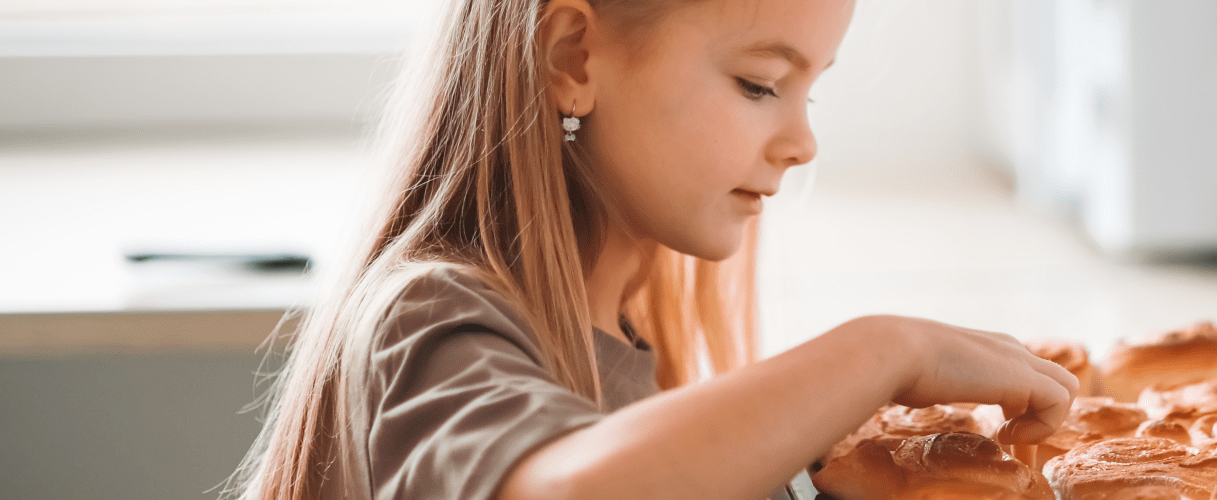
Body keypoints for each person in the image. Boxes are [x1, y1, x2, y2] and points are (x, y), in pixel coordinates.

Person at [223, 0, 1078, 499]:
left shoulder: (631, 337)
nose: (801, 142)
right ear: (573, 57)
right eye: (760, 85)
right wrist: (884, 350)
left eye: (810, 92)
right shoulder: (431, 314)